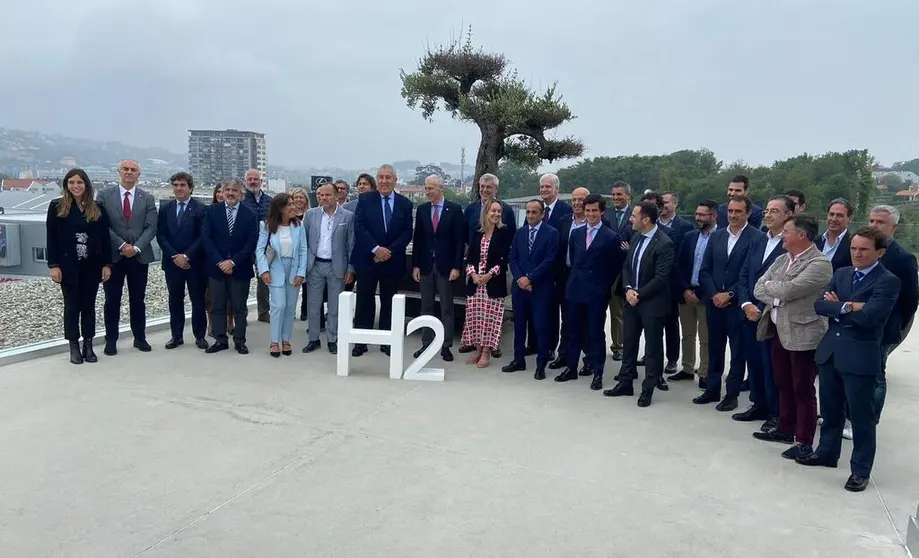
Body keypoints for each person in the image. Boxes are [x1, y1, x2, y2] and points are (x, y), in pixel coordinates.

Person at [799, 227, 900, 493]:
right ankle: (826, 453)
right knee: (831, 410)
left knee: (861, 417)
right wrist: (850, 305)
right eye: (854, 248)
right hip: (831, 351)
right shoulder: (842, 273)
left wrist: (839, 305)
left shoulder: (887, 281)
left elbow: (870, 318)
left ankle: (860, 470)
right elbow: (820, 306)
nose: (857, 253)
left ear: (879, 252)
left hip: (860, 357)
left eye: (864, 249)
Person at [751, 215, 833, 460]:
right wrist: (778, 296)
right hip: (779, 331)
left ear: (802, 235)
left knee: (802, 388)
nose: (781, 235)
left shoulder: (819, 264)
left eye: (786, 231)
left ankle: (804, 440)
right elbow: (758, 286)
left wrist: (775, 291)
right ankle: (785, 429)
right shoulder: (782, 258)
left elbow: (791, 289)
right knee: (783, 383)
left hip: (804, 334)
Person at [694, 195, 764, 411]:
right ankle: (712, 389)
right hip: (714, 303)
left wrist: (730, 294)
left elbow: (751, 274)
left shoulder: (757, 238)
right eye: (730, 211)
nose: (733, 215)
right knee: (715, 348)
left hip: (738, 306)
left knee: (737, 351)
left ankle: (731, 394)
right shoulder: (717, 237)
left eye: (738, 212)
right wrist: (715, 293)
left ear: (748, 213)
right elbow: (705, 269)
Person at [604, 201, 675, 407]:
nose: (630, 219)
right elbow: (627, 266)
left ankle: (648, 388)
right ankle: (625, 383)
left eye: (634, 216)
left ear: (646, 219)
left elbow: (661, 278)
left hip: (652, 304)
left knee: (652, 348)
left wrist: (639, 294)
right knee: (629, 343)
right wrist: (627, 289)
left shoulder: (665, 243)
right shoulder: (635, 237)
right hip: (631, 301)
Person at [734, 195, 792, 430]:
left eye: (775, 211)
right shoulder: (758, 239)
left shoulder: (790, 245)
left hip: (770, 315)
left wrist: (760, 307)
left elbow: (786, 283)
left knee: (774, 368)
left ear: (789, 215)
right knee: (755, 363)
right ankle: (757, 403)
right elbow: (744, 274)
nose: (768, 215)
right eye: (767, 210)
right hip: (749, 312)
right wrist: (746, 304)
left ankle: (776, 413)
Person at [555, 194, 624, 389]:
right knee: (573, 331)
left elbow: (615, 266)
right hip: (575, 290)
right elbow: (575, 261)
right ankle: (571, 368)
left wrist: (603, 286)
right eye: (588, 211)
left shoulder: (610, 236)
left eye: (594, 210)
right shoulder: (576, 234)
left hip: (596, 293)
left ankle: (598, 372)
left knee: (595, 333)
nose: (591, 214)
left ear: (602, 212)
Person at [46, 168, 112, 364]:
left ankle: (89, 345)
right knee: (72, 306)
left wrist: (106, 264)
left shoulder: (97, 207)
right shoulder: (57, 206)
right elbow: (51, 238)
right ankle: (73, 345)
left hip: (92, 265)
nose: (76, 186)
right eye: (72, 182)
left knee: (89, 306)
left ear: (86, 185)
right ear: (66, 184)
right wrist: (53, 265)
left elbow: (104, 238)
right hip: (68, 266)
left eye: (79, 182)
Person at [350, 164, 414, 357]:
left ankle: (388, 341)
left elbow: (407, 232)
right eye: (381, 177)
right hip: (367, 260)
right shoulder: (365, 199)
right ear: (377, 180)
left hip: (392, 262)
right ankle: (361, 341)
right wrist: (376, 249)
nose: (384, 181)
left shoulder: (405, 203)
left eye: (388, 177)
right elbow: (359, 227)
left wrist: (389, 252)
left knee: (389, 302)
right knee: (364, 301)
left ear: (395, 180)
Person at [99, 158, 158, 355]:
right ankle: (111, 341)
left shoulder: (147, 198)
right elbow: (101, 225)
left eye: (133, 170)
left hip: (139, 258)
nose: (129, 172)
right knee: (112, 301)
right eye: (126, 169)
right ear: (119, 172)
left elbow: (151, 227)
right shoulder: (105, 195)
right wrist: (122, 245)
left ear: (138, 175)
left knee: (138, 300)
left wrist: (137, 247)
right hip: (114, 257)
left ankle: (140, 338)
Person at [867, 205, 919, 423]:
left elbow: (910, 299)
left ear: (893, 228)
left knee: (876, 376)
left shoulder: (902, 258)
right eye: (872, 221)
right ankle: (847, 414)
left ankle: (869, 419)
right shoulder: (862, 249)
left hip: (884, 326)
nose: (874, 226)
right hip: (858, 323)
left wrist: (897, 325)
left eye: (880, 222)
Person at [411, 175, 465, 362]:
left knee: (446, 307)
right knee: (426, 306)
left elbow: (459, 242)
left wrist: (457, 266)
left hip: (446, 266)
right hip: (425, 265)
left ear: (441, 189)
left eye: (431, 188)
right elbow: (417, 239)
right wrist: (415, 265)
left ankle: (446, 346)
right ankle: (426, 343)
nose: (427, 192)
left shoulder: (455, 210)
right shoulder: (423, 210)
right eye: (426, 188)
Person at [202, 178, 259, 355]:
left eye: (234, 190)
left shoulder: (249, 214)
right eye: (227, 190)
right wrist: (220, 261)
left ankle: (240, 341)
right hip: (216, 268)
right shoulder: (212, 211)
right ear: (223, 192)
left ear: (241, 193)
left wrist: (233, 261)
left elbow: (251, 242)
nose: (230, 193)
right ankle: (220, 340)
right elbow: (206, 238)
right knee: (217, 305)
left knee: (239, 307)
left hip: (239, 268)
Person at [504, 199, 559, 379]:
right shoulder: (519, 233)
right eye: (528, 212)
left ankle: (541, 364)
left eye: (534, 212)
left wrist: (530, 278)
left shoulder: (551, 234)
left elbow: (550, 260)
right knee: (519, 325)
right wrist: (520, 278)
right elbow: (512, 258)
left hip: (540, 288)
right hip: (520, 289)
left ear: (542, 214)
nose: (530, 216)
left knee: (541, 326)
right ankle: (518, 360)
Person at [157, 172, 209, 350]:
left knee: (198, 300)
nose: (179, 188)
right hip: (172, 264)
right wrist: (175, 256)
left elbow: (203, 237)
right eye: (176, 185)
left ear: (190, 188)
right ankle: (176, 336)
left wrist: (186, 256)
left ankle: (200, 336)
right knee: (175, 300)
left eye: (183, 185)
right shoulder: (165, 208)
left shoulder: (201, 209)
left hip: (194, 263)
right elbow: (161, 235)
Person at [549, 187, 598, 373]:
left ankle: (589, 359)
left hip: (588, 281)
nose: (577, 203)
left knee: (587, 321)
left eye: (581, 200)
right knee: (567, 319)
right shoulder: (563, 222)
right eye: (574, 199)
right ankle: (564, 355)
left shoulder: (599, 224)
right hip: (565, 276)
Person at [302, 184, 355, 355]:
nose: (323, 198)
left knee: (334, 306)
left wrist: (350, 269)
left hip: (336, 266)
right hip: (315, 265)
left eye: (327, 195)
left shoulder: (348, 216)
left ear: (336, 195)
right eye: (320, 195)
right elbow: (303, 242)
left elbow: (351, 245)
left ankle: (333, 339)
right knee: (313, 305)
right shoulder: (310, 215)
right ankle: (314, 339)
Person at [461, 199, 513, 368]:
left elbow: (503, 259)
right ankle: (477, 349)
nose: (496, 214)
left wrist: (489, 275)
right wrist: (473, 274)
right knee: (475, 318)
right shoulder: (477, 232)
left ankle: (486, 352)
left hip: (493, 283)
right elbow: (470, 257)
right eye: (493, 211)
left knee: (490, 320)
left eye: (499, 212)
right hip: (476, 284)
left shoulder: (503, 233)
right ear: (486, 212)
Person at [672, 200, 718, 387]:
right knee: (687, 334)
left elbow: (717, 270)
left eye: (702, 215)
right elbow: (679, 264)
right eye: (697, 214)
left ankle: (705, 372)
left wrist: (699, 292)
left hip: (705, 295)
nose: (698, 218)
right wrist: (685, 289)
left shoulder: (720, 237)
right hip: (686, 293)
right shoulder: (690, 236)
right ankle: (687, 368)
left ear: (714, 216)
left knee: (706, 337)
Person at [256, 193, 308, 357]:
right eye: (289, 205)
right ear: (280, 208)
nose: (293, 207)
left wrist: (301, 272)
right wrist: (263, 270)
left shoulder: (299, 226)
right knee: (278, 305)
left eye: (293, 203)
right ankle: (274, 341)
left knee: (290, 307)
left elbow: (303, 251)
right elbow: (260, 249)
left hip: (293, 269)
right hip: (275, 269)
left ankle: (286, 339)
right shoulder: (266, 226)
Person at [530, 173, 571, 359]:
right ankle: (532, 344)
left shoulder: (565, 211)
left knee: (552, 312)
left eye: (548, 187)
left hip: (555, 272)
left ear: (557, 189)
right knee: (533, 310)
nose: (544, 190)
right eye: (542, 187)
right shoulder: (535, 209)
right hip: (533, 272)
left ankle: (550, 348)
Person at [602, 181, 633, 362]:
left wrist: (630, 248)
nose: (615, 198)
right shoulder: (606, 214)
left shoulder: (635, 214)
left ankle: (618, 345)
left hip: (625, 270)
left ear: (628, 195)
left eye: (619, 195)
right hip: (606, 269)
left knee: (618, 312)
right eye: (613, 195)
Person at [241, 168, 272, 323]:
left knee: (264, 280)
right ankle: (242, 313)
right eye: (250, 179)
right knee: (244, 282)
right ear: (246, 182)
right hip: (245, 247)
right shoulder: (241, 201)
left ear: (261, 182)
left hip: (265, 248)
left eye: (256, 179)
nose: (253, 182)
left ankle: (264, 312)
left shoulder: (270, 201)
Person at [205, 184, 233, 337]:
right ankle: (212, 324)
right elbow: (205, 237)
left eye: (226, 191)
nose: (223, 194)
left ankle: (230, 322)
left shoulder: (236, 212)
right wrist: (217, 260)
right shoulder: (209, 211)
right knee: (212, 297)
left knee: (231, 296)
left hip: (231, 262)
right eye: (219, 192)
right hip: (213, 261)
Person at [815, 198, 853, 271]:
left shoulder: (853, 244)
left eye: (839, 215)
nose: (834, 219)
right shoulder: (815, 241)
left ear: (849, 219)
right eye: (831, 214)